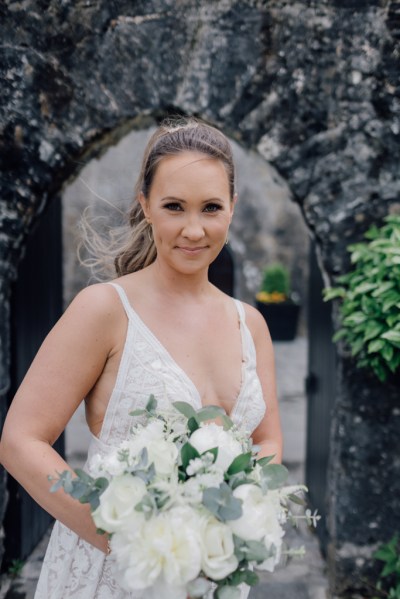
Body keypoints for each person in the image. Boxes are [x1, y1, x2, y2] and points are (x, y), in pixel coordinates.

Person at [0, 117, 282, 598]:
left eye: (210, 207)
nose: (193, 229)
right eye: (174, 206)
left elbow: (267, 440)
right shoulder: (105, 310)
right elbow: (20, 441)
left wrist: (234, 529)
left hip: (211, 580)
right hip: (113, 575)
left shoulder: (249, 324)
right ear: (145, 206)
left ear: (232, 208)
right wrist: (134, 541)